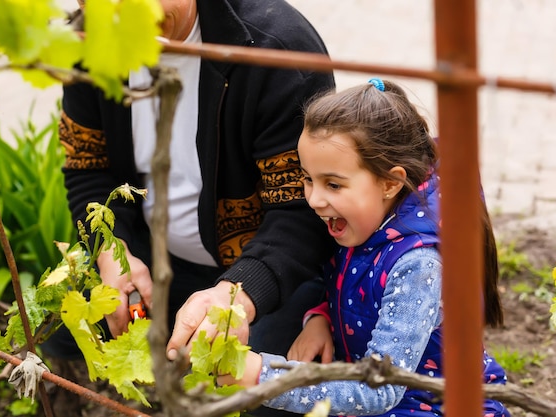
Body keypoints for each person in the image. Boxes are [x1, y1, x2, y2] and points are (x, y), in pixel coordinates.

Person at [45, 0, 336, 406]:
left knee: (269, 387)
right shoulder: (86, 43)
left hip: (265, 268)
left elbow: (300, 211)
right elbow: (88, 168)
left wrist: (236, 294)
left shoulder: (276, 51)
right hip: (153, 256)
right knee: (59, 326)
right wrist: (114, 252)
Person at [221, 79, 511, 417]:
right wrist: (321, 317)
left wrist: (262, 377)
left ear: (390, 182)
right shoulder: (362, 221)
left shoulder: (418, 266)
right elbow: (348, 285)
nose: (313, 199)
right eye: (308, 178)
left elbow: (380, 389)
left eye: (332, 184)